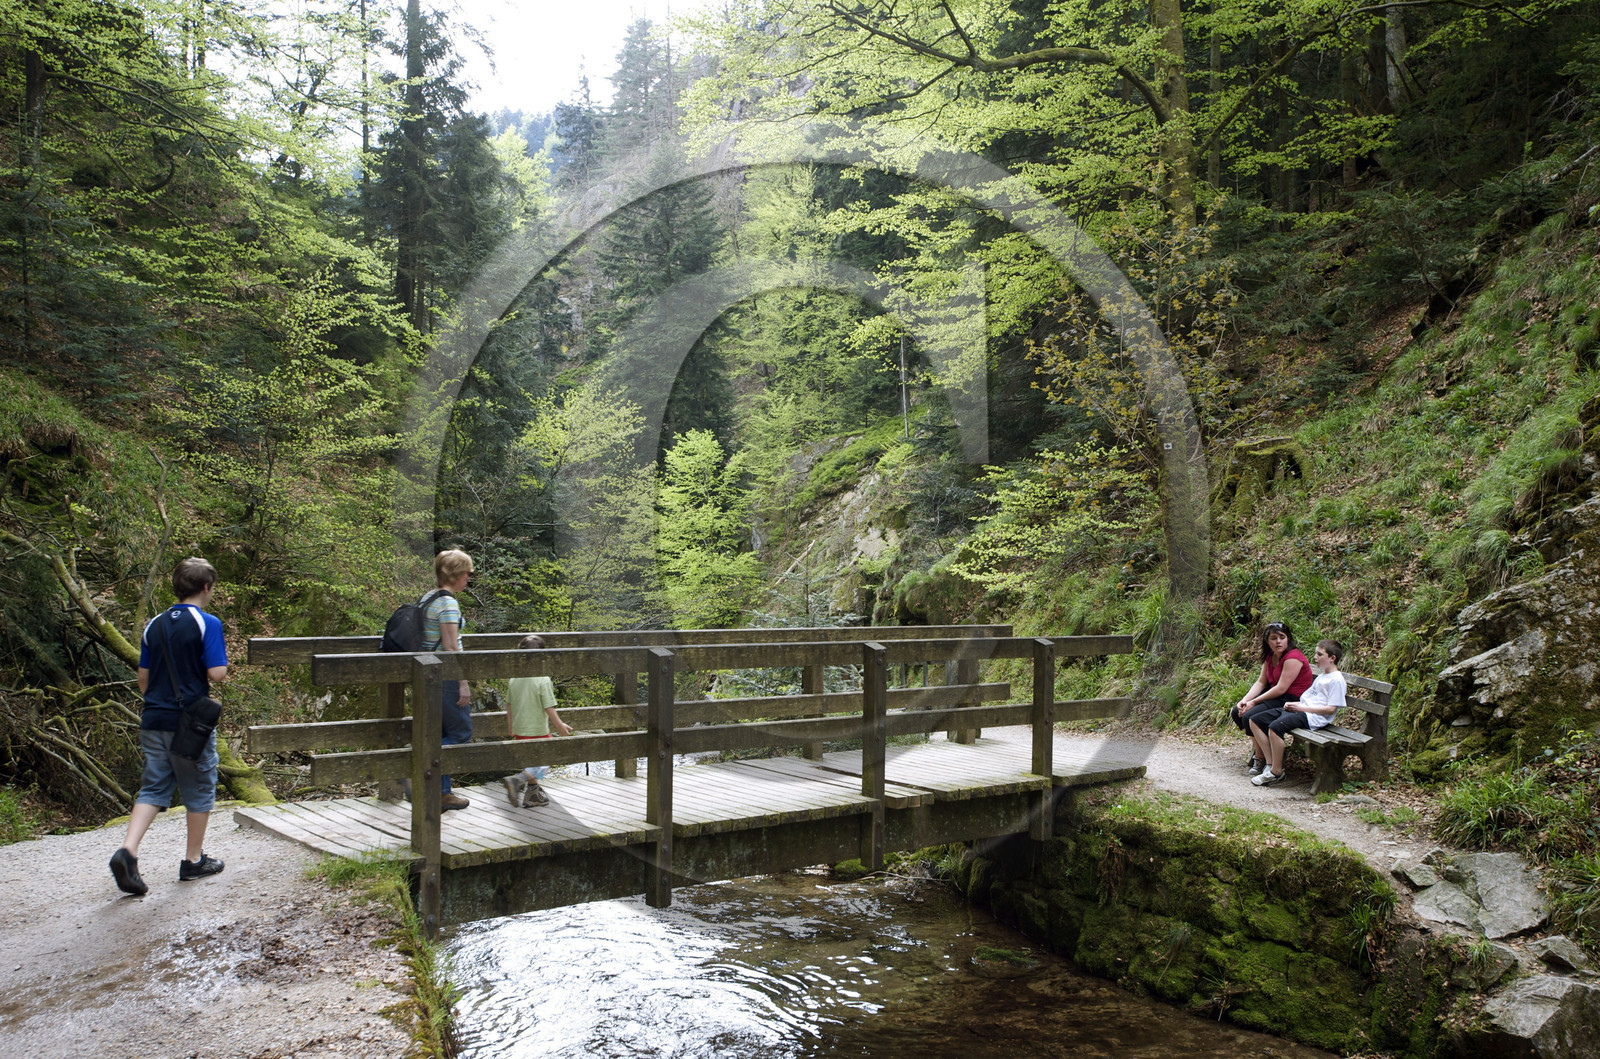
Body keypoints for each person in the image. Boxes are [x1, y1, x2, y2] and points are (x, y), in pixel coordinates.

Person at [109, 557, 229, 896]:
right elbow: (217, 673)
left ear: (176, 586)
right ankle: (193, 861)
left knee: (153, 786)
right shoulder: (208, 623)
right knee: (200, 785)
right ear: (206, 588)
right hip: (190, 722)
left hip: (154, 718)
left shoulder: (154, 625)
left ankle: (128, 851)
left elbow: (143, 680)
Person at [1252, 640, 1348, 786]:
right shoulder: (1323, 676)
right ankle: (1270, 763)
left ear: (1332, 658)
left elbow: (1330, 709)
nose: (1315, 657)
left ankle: (1276, 772)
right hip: (1301, 710)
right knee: (1255, 719)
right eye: (1316, 653)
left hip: (1313, 718)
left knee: (1275, 727)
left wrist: (1301, 708)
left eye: (1320, 654)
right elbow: (1312, 699)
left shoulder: (1337, 680)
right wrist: (1296, 704)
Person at [424, 549, 475, 811]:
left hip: (429, 677)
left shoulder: (429, 598)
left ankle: (440, 792)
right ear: (455, 574)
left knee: (440, 733)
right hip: (445, 678)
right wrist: (462, 682)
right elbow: (450, 647)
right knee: (460, 732)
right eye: (467, 573)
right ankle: (425, 780)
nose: (469, 578)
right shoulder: (447, 603)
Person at [1231, 621, 1313, 776]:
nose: (1278, 641)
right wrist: (1244, 700)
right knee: (1237, 711)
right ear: (1267, 642)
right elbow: (1261, 682)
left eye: (1282, 637)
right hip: (1277, 696)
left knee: (1249, 715)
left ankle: (1263, 759)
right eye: (1274, 638)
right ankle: (1260, 754)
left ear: (1288, 638)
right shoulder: (1270, 656)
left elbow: (1281, 688)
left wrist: (1254, 702)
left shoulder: (1293, 657)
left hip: (1291, 699)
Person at [501, 634, 573, 808]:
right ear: (542, 657)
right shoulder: (542, 678)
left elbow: (509, 704)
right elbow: (548, 707)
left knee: (531, 760)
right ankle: (518, 780)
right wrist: (560, 725)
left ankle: (532, 795)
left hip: (519, 728)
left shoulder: (514, 678)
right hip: (537, 729)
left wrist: (510, 726)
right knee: (548, 755)